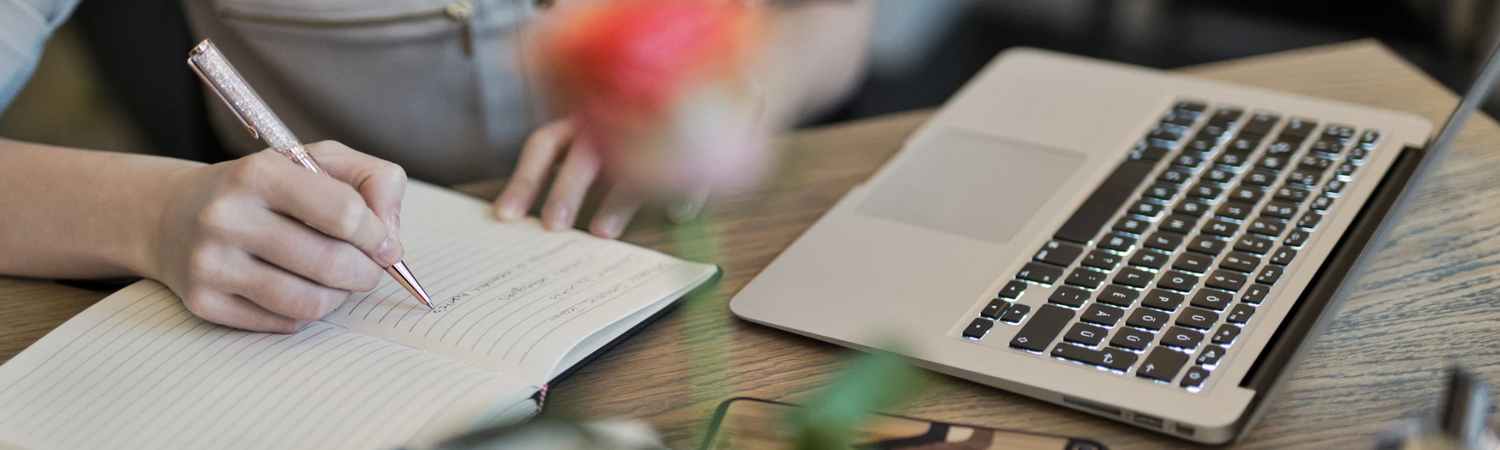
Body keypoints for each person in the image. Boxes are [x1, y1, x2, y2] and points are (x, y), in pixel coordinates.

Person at [0, 0, 873, 332]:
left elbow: (842, 18)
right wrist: (152, 214)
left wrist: (754, 79)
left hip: (730, 243)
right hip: (301, 295)